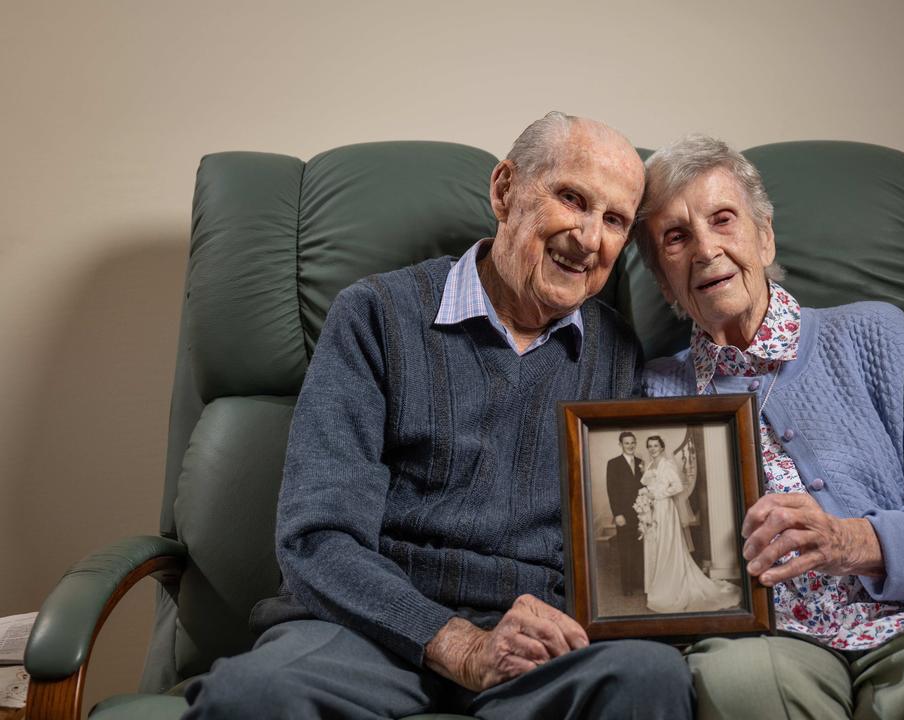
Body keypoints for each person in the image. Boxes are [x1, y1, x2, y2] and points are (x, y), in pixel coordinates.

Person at [181, 113, 694, 720]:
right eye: (571, 198)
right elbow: (317, 538)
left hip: (535, 642)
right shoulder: (374, 316)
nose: (588, 238)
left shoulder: (616, 355)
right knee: (251, 697)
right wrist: (456, 643)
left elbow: (628, 543)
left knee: (648, 677)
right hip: (368, 629)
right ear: (505, 191)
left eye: (613, 221)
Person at [635, 135, 904, 719]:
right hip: (768, 640)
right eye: (676, 237)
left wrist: (850, 543)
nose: (706, 249)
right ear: (663, 279)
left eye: (723, 220)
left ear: (763, 237)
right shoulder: (652, 390)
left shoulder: (873, 336)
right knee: (742, 680)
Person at [639, 435, 740, 613]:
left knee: (667, 546)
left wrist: (656, 495)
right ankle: (658, 584)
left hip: (664, 509)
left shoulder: (667, 464)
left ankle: (671, 586)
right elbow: (649, 486)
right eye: (650, 446)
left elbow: (678, 486)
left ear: (662, 448)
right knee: (656, 546)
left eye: (656, 445)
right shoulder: (649, 465)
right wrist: (646, 499)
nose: (653, 449)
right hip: (653, 509)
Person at [605, 431, 645, 596]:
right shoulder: (613, 463)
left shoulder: (641, 462)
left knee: (639, 548)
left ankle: (638, 582)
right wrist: (618, 514)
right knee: (625, 550)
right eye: (626, 443)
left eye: (632, 442)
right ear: (620, 444)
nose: (630, 445)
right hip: (624, 513)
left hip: (642, 511)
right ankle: (626, 586)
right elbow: (611, 490)